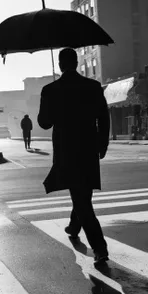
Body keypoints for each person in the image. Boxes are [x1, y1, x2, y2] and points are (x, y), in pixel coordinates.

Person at [37, 48, 110, 263]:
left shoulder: (50, 90)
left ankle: (99, 247)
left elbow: (44, 122)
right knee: (82, 192)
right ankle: (73, 225)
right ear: (77, 63)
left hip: (66, 151)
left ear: (60, 65)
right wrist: (102, 144)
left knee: (81, 199)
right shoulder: (93, 87)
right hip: (88, 150)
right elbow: (103, 118)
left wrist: (49, 103)